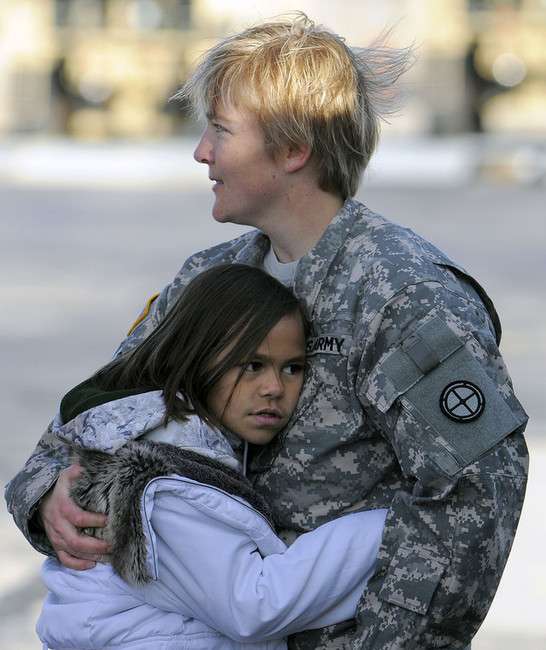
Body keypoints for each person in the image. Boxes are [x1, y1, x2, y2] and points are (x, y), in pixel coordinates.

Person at [6, 13, 528, 649]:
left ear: (291, 150)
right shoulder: (210, 281)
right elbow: (100, 415)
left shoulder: (403, 296)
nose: (201, 151)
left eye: (220, 130)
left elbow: (475, 501)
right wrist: (48, 498)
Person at [36, 263, 387, 650]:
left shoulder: (187, 449)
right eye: (252, 366)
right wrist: (386, 526)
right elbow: (253, 607)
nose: (274, 387)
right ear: (197, 356)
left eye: (293, 368)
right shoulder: (160, 482)